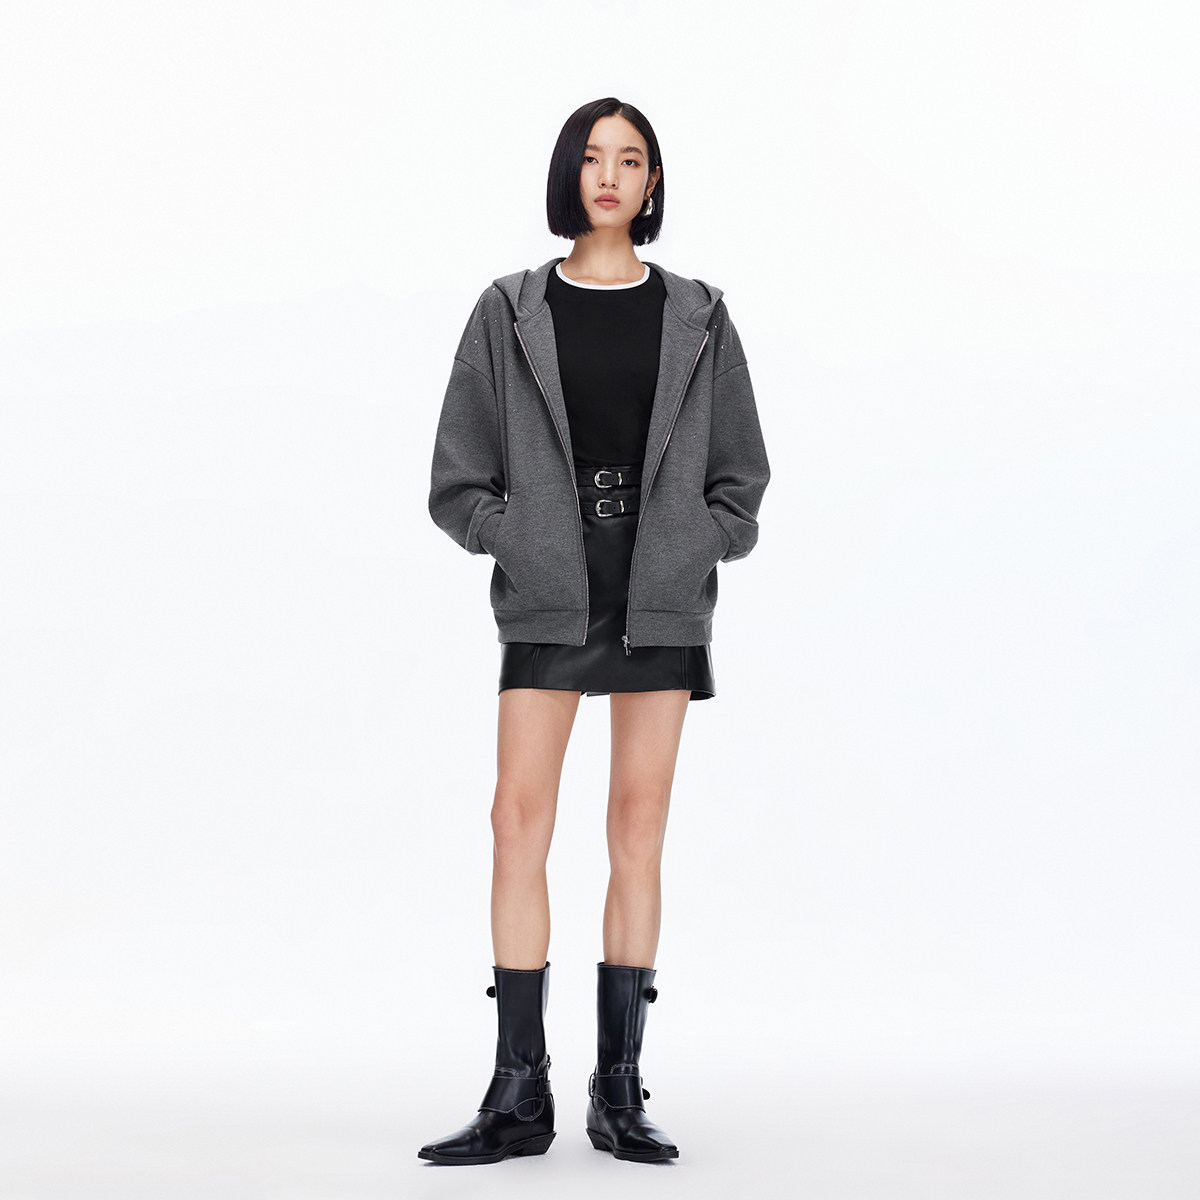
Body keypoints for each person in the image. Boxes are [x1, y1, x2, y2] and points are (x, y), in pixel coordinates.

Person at [420, 96, 771, 1165]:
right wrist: (518, 537)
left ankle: (618, 1091)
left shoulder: (700, 314)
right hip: (548, 589)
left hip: (657, 589)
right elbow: (456, 478)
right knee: (515, 819)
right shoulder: (510, 308)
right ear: (568, 173)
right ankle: (517, 1090)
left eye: (631, 159)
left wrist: (696, 543)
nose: (610, 174)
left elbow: (741, 477)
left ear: (653, 182)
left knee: (637, 823)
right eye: (592, 156)